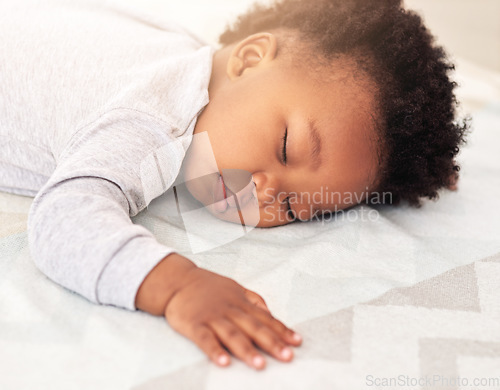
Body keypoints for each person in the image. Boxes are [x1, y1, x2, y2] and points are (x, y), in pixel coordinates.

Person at [0, 0, 468, 370]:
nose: (264, 191)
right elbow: (63, 218)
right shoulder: (150, 124)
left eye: (291, 207)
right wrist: (177, 285)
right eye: (286, 147)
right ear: (249, 57)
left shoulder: (178, 51)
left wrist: (412, 172)